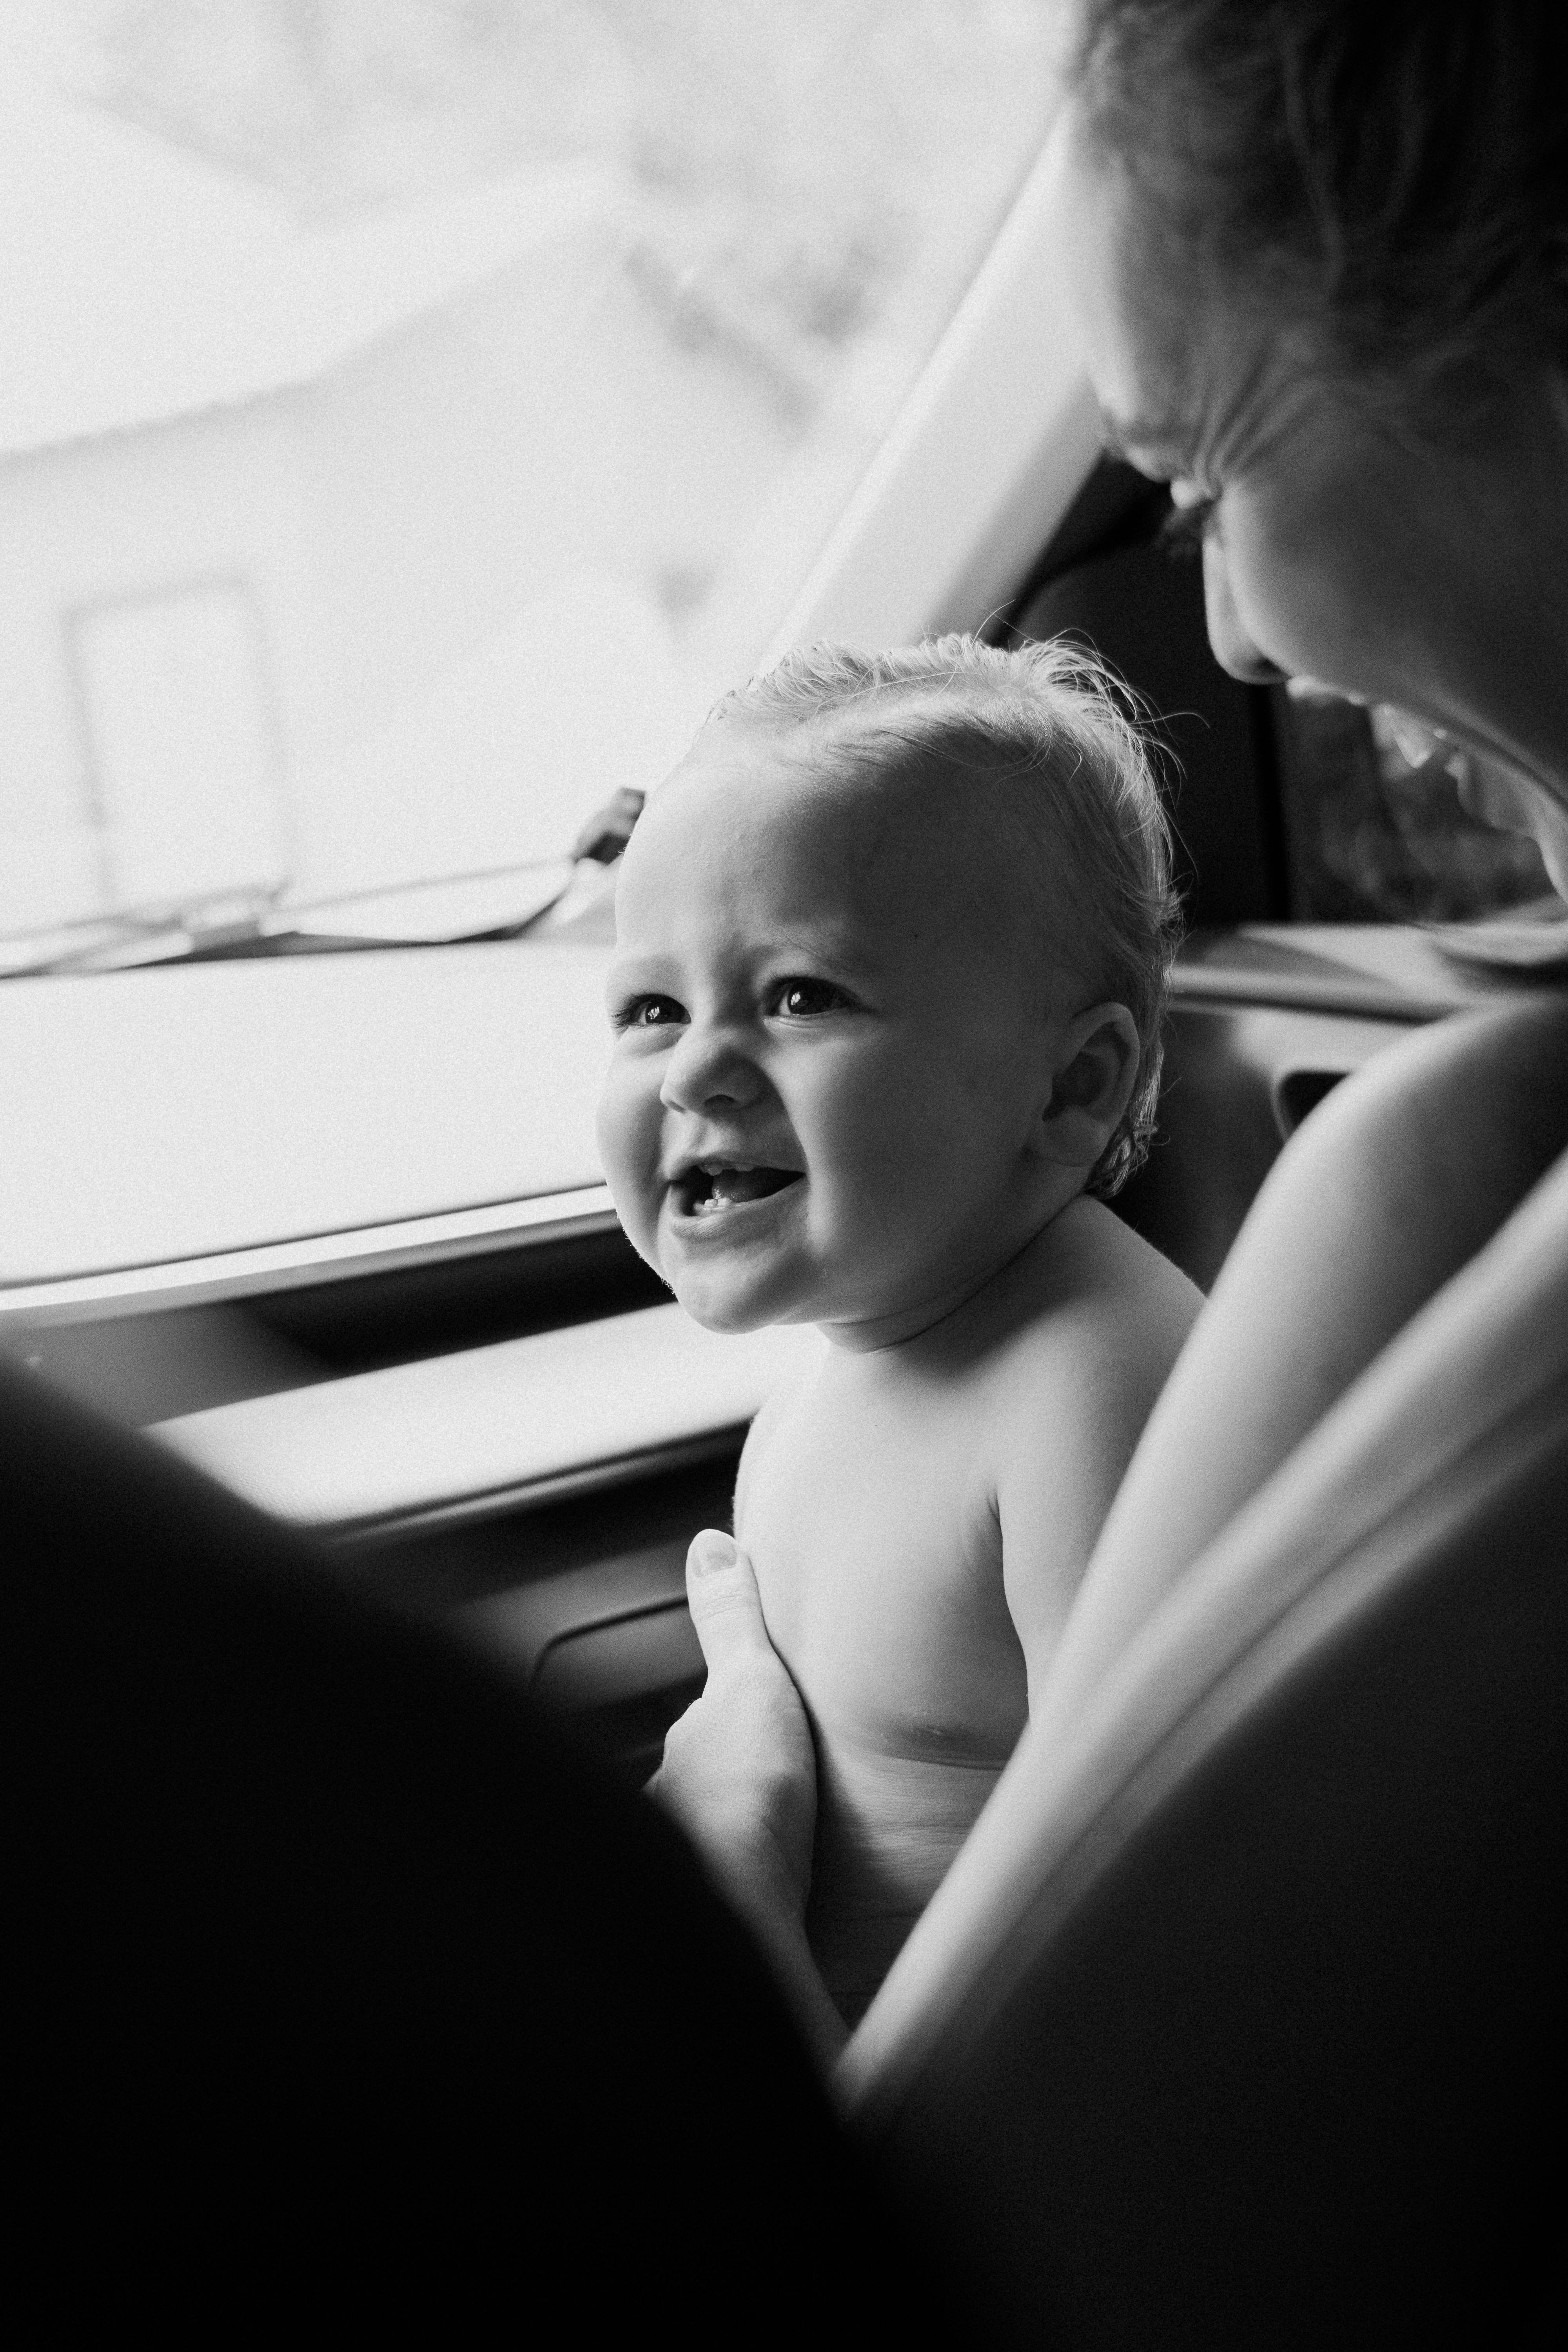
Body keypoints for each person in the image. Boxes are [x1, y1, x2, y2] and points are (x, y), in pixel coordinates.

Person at [653, 0, 1568, 2074]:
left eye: (1200, 474)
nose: (1233, 638)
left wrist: (721, 1921)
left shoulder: (1471, 1171)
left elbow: (1108, 2151)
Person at [596, 637, 1202, 2025]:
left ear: (1074, 1086)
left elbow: (1177, 1917)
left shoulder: (1092, 1391)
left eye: (802, 995)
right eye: (650, 1008)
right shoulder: (830, 1376)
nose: (697, 1064)